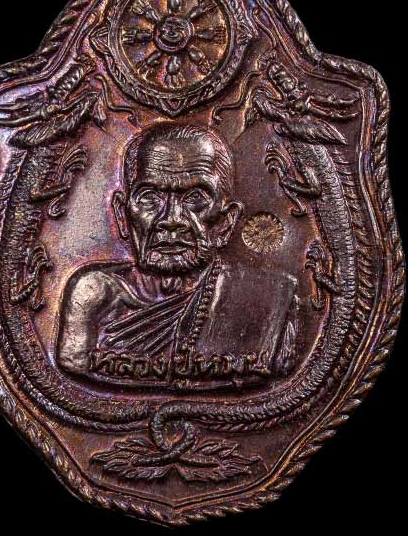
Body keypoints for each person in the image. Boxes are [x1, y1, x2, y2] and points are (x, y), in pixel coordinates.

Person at [57, 123, 297, 389]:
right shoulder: (93, 296)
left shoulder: (267, 300)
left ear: (227, 221)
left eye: (195, 198)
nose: (171, 219)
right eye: (150, 197)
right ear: (123, 216)